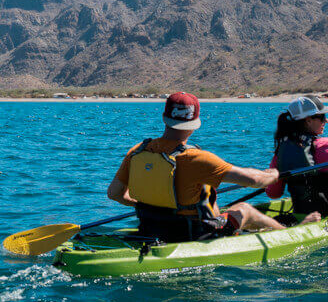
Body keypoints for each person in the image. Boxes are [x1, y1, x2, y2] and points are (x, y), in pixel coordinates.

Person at [107, 91, 289, 243]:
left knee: (218, 206)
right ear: (195, 125)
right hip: (196, 234)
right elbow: (255, 180)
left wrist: (153, 208)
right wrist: (274, 174)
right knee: (245, 209)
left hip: (150, 228)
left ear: (164, 118)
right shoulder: (197, 158)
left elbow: (114, 193)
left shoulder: (138, 151)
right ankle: (288, 233)